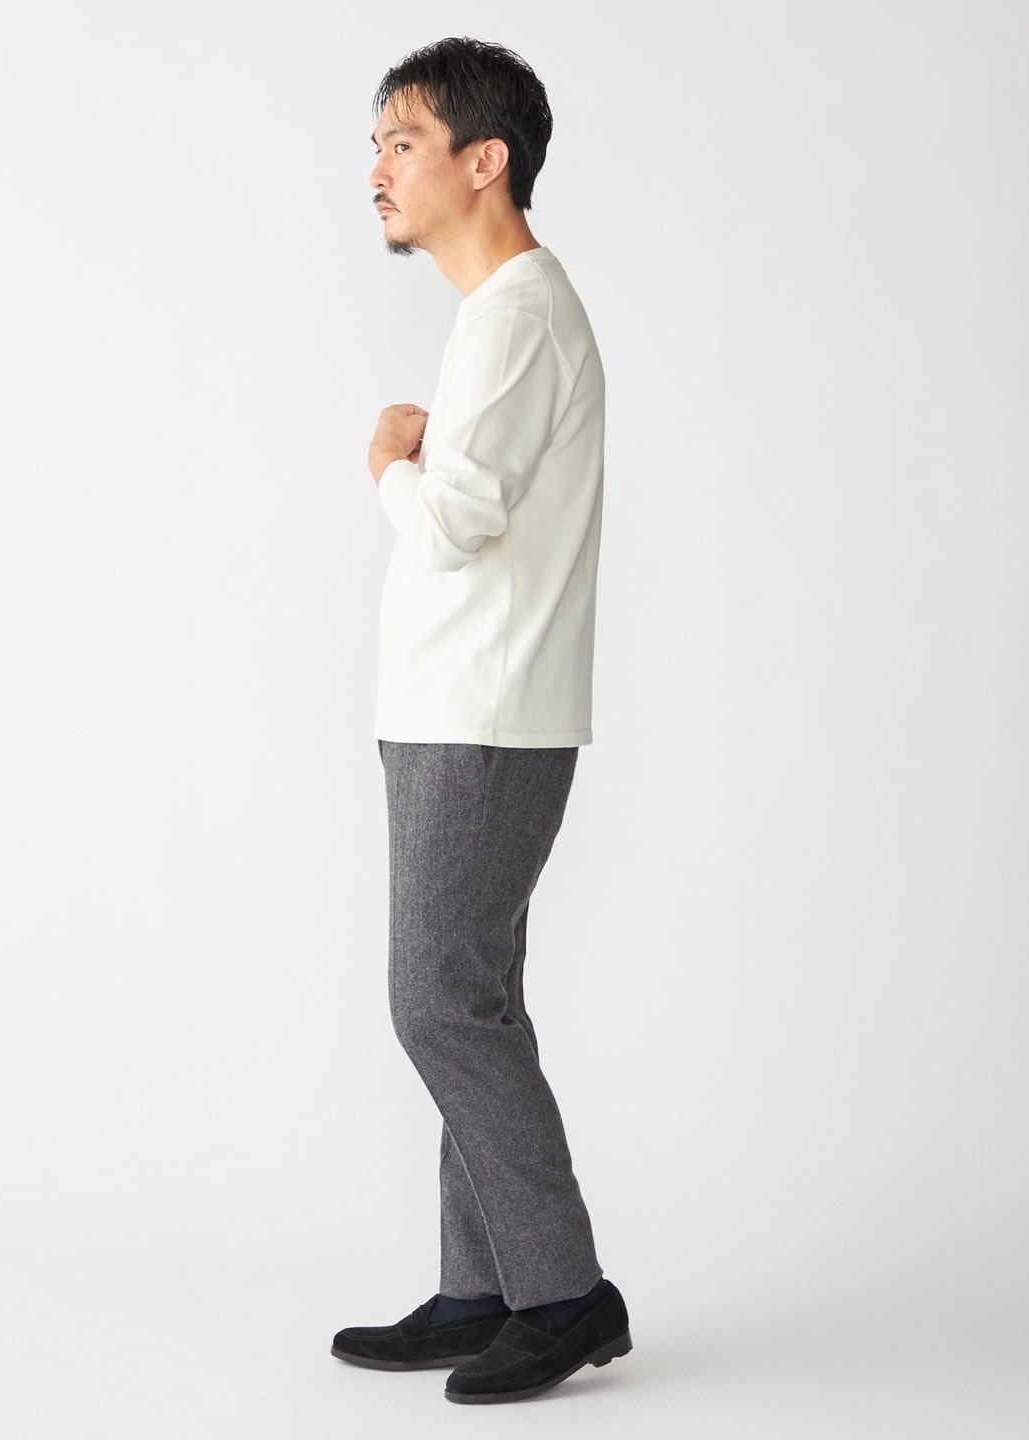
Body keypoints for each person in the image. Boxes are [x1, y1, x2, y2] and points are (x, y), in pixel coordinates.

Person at [330, 37, 631, 1405]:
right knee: (474, 997)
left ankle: (563, 1294)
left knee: (437, 1001)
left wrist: (389, 464)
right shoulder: (499, 315)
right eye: (377, 146)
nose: (378, 170)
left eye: (403, 142)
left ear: (482, 160)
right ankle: (487, 1285)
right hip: (458, 711)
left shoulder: (515, 314)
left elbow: (454, 527)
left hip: (484, 717)